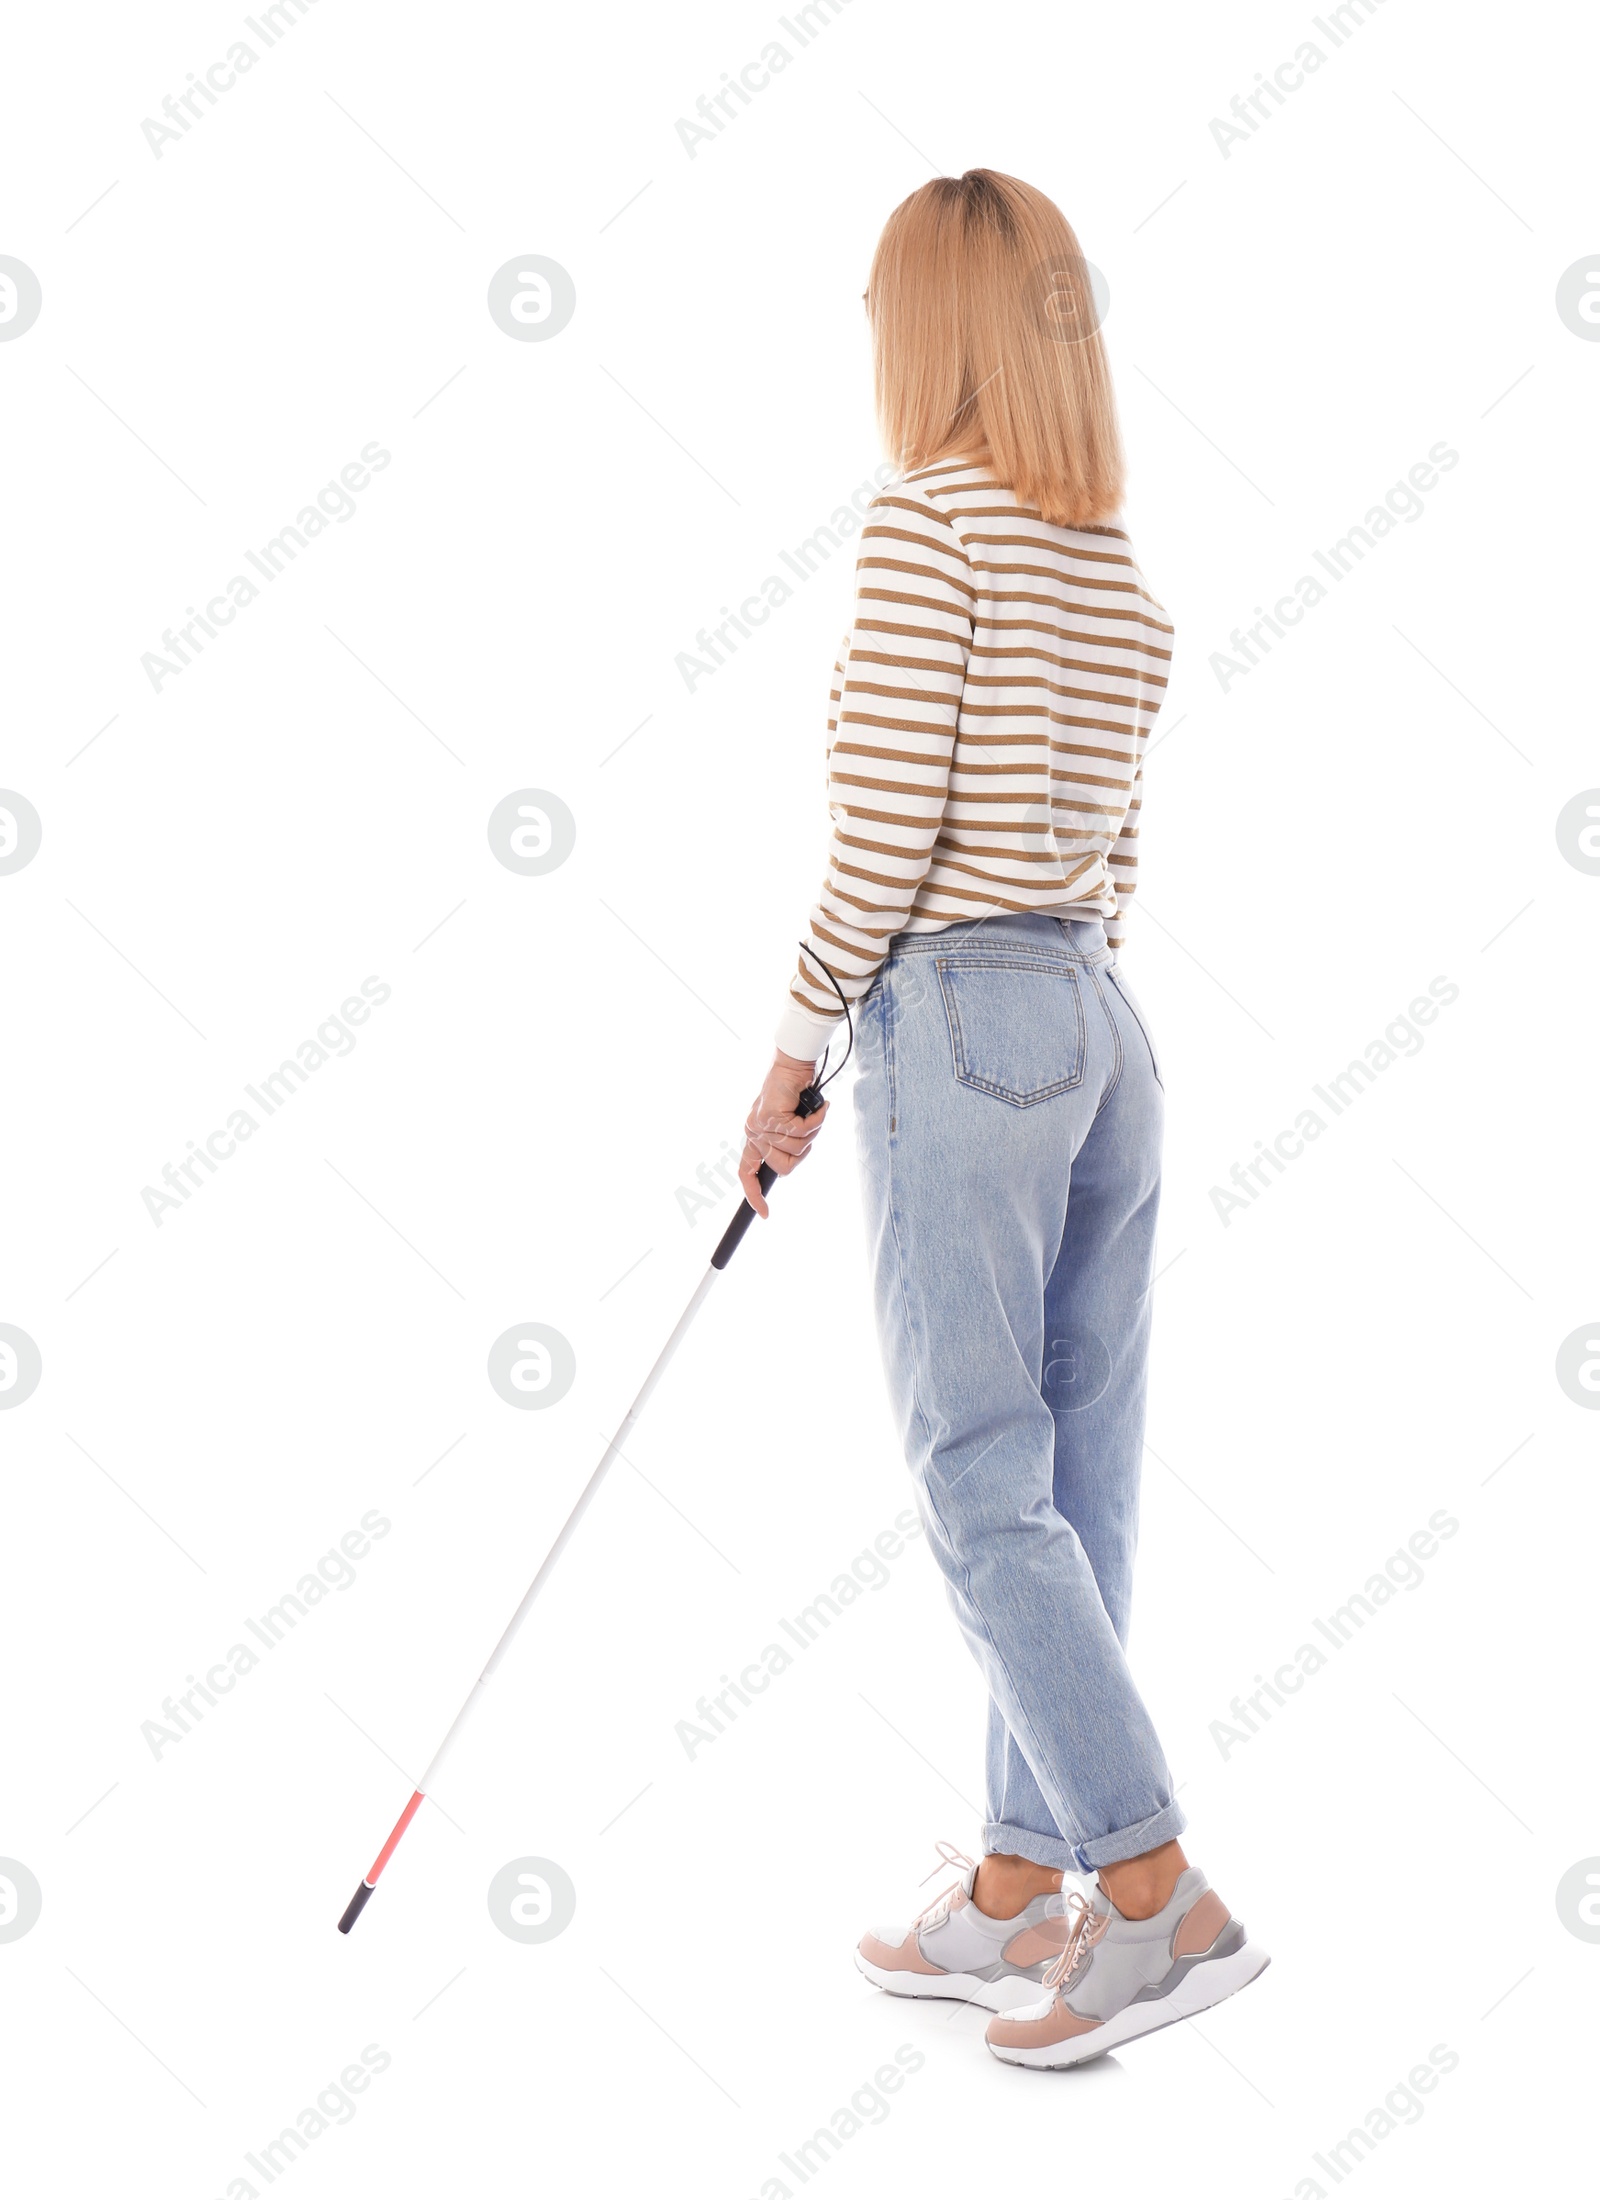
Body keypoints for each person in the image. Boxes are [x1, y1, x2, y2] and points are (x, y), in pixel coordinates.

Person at [738, 169, 1268, 2070]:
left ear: (932, 326)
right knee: (1076, 1471)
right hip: (1104, 1020)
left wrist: (799, 1044)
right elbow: (1119, 853)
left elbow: (882, 827)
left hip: (961, 1007)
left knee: (979, 1477)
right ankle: (1020, 1879)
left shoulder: (925, 529)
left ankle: (1152, 1899)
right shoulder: (1112, 565)